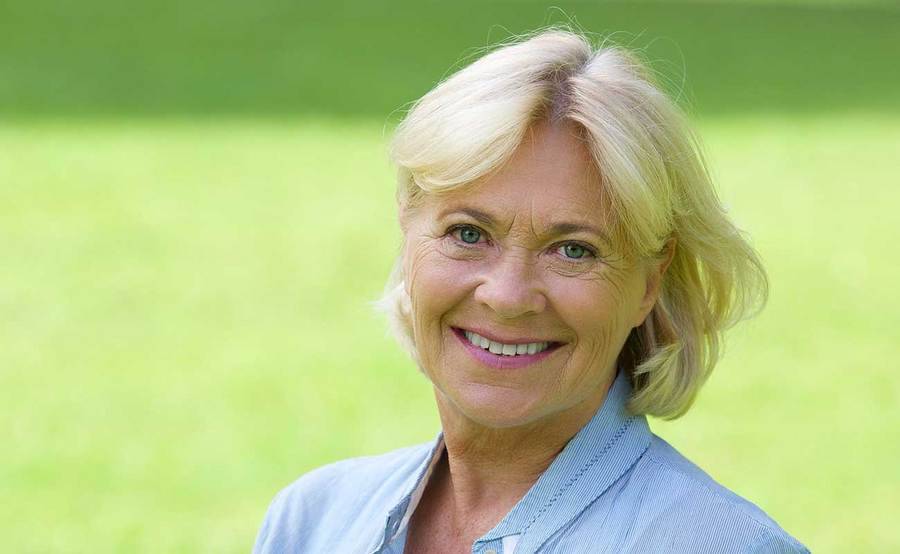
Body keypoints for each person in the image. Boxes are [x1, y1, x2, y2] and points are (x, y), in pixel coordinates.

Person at [253, 28, 809, 553]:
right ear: (407, 230)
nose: (508, 295)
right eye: (468, 234)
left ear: (649, 282)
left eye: (573, 249)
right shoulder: (311, 521)